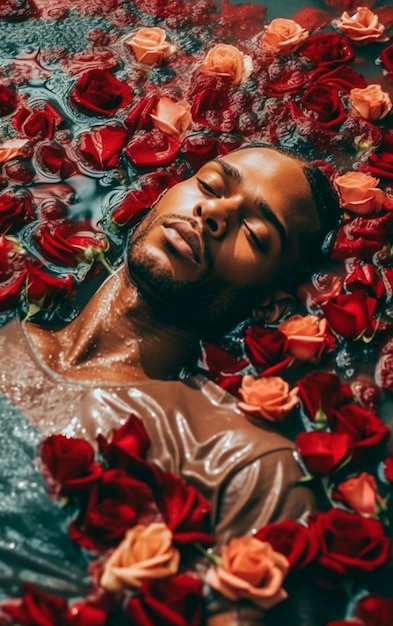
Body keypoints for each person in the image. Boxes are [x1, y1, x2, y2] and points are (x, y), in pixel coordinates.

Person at [0, 145, 341, 625]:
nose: (215, 212)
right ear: (164, 195)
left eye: (256, 233)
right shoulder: (7, 329)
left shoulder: (244, 468)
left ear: (271, 304)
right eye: (210, 185)